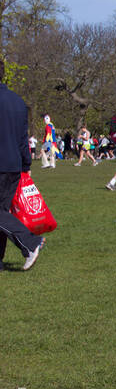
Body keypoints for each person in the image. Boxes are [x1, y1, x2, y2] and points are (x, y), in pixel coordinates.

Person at [0, 67, 44, 270]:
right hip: (13, 164)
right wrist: (26, 164)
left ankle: (30, 242)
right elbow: (22, 138)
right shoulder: (18, 101)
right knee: (2, 212)